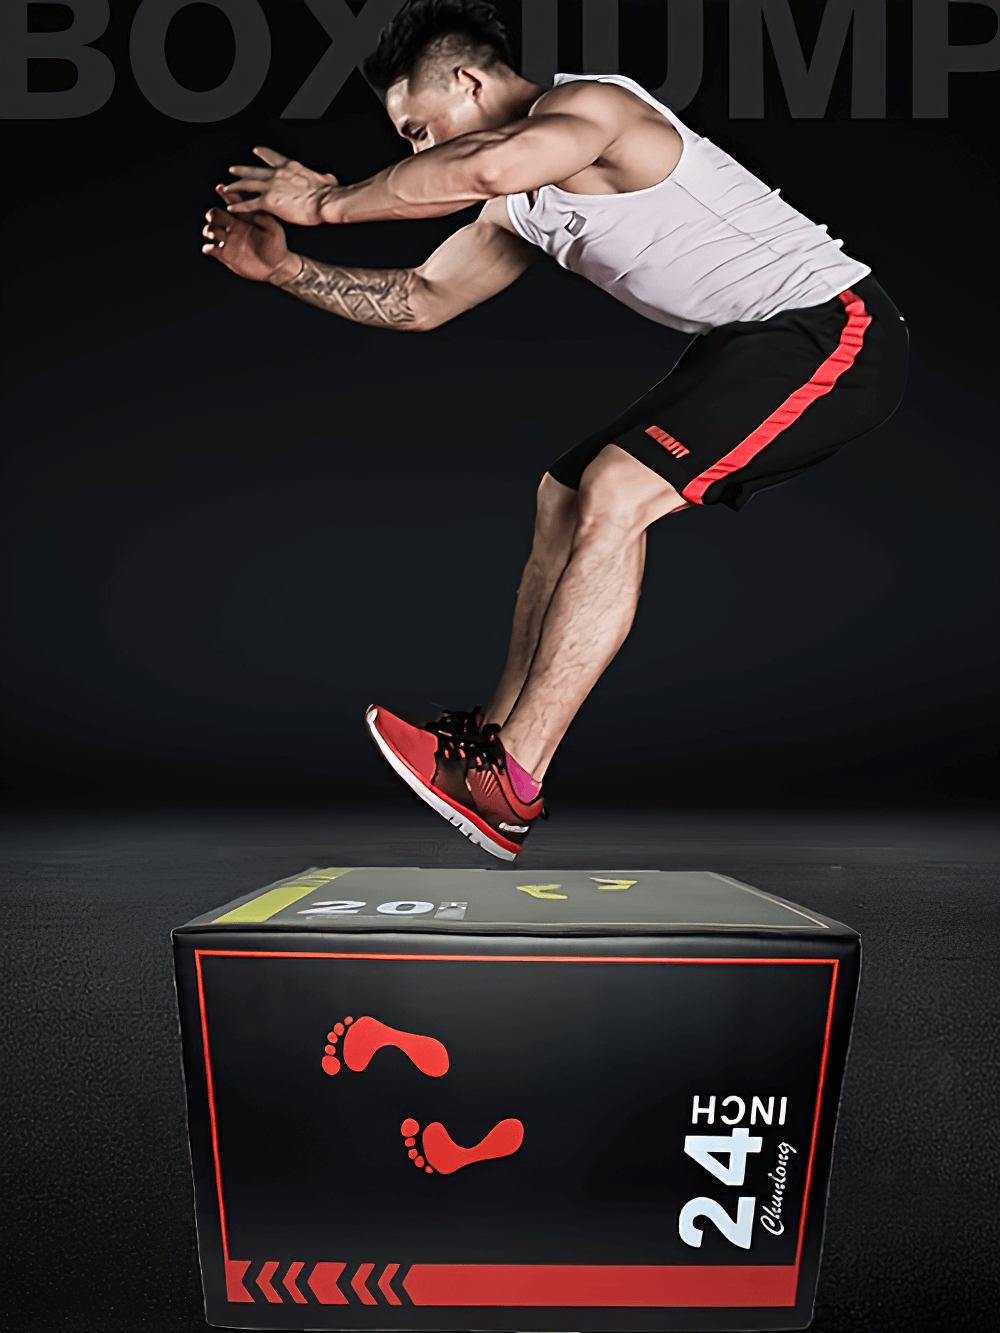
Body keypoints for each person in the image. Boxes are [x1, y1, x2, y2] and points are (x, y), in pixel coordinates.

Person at [201, 0, 908, 861]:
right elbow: (422, 300)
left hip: (833, 331)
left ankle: (514, 777)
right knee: (565, 494)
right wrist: (284, 268)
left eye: (420, 131)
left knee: (617, 490)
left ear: (468, 79)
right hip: (750, 347)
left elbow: (491, 162)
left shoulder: (595, 111)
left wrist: (329, 203)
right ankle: (483, 751)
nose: (418, 154)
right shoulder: (519, 203)